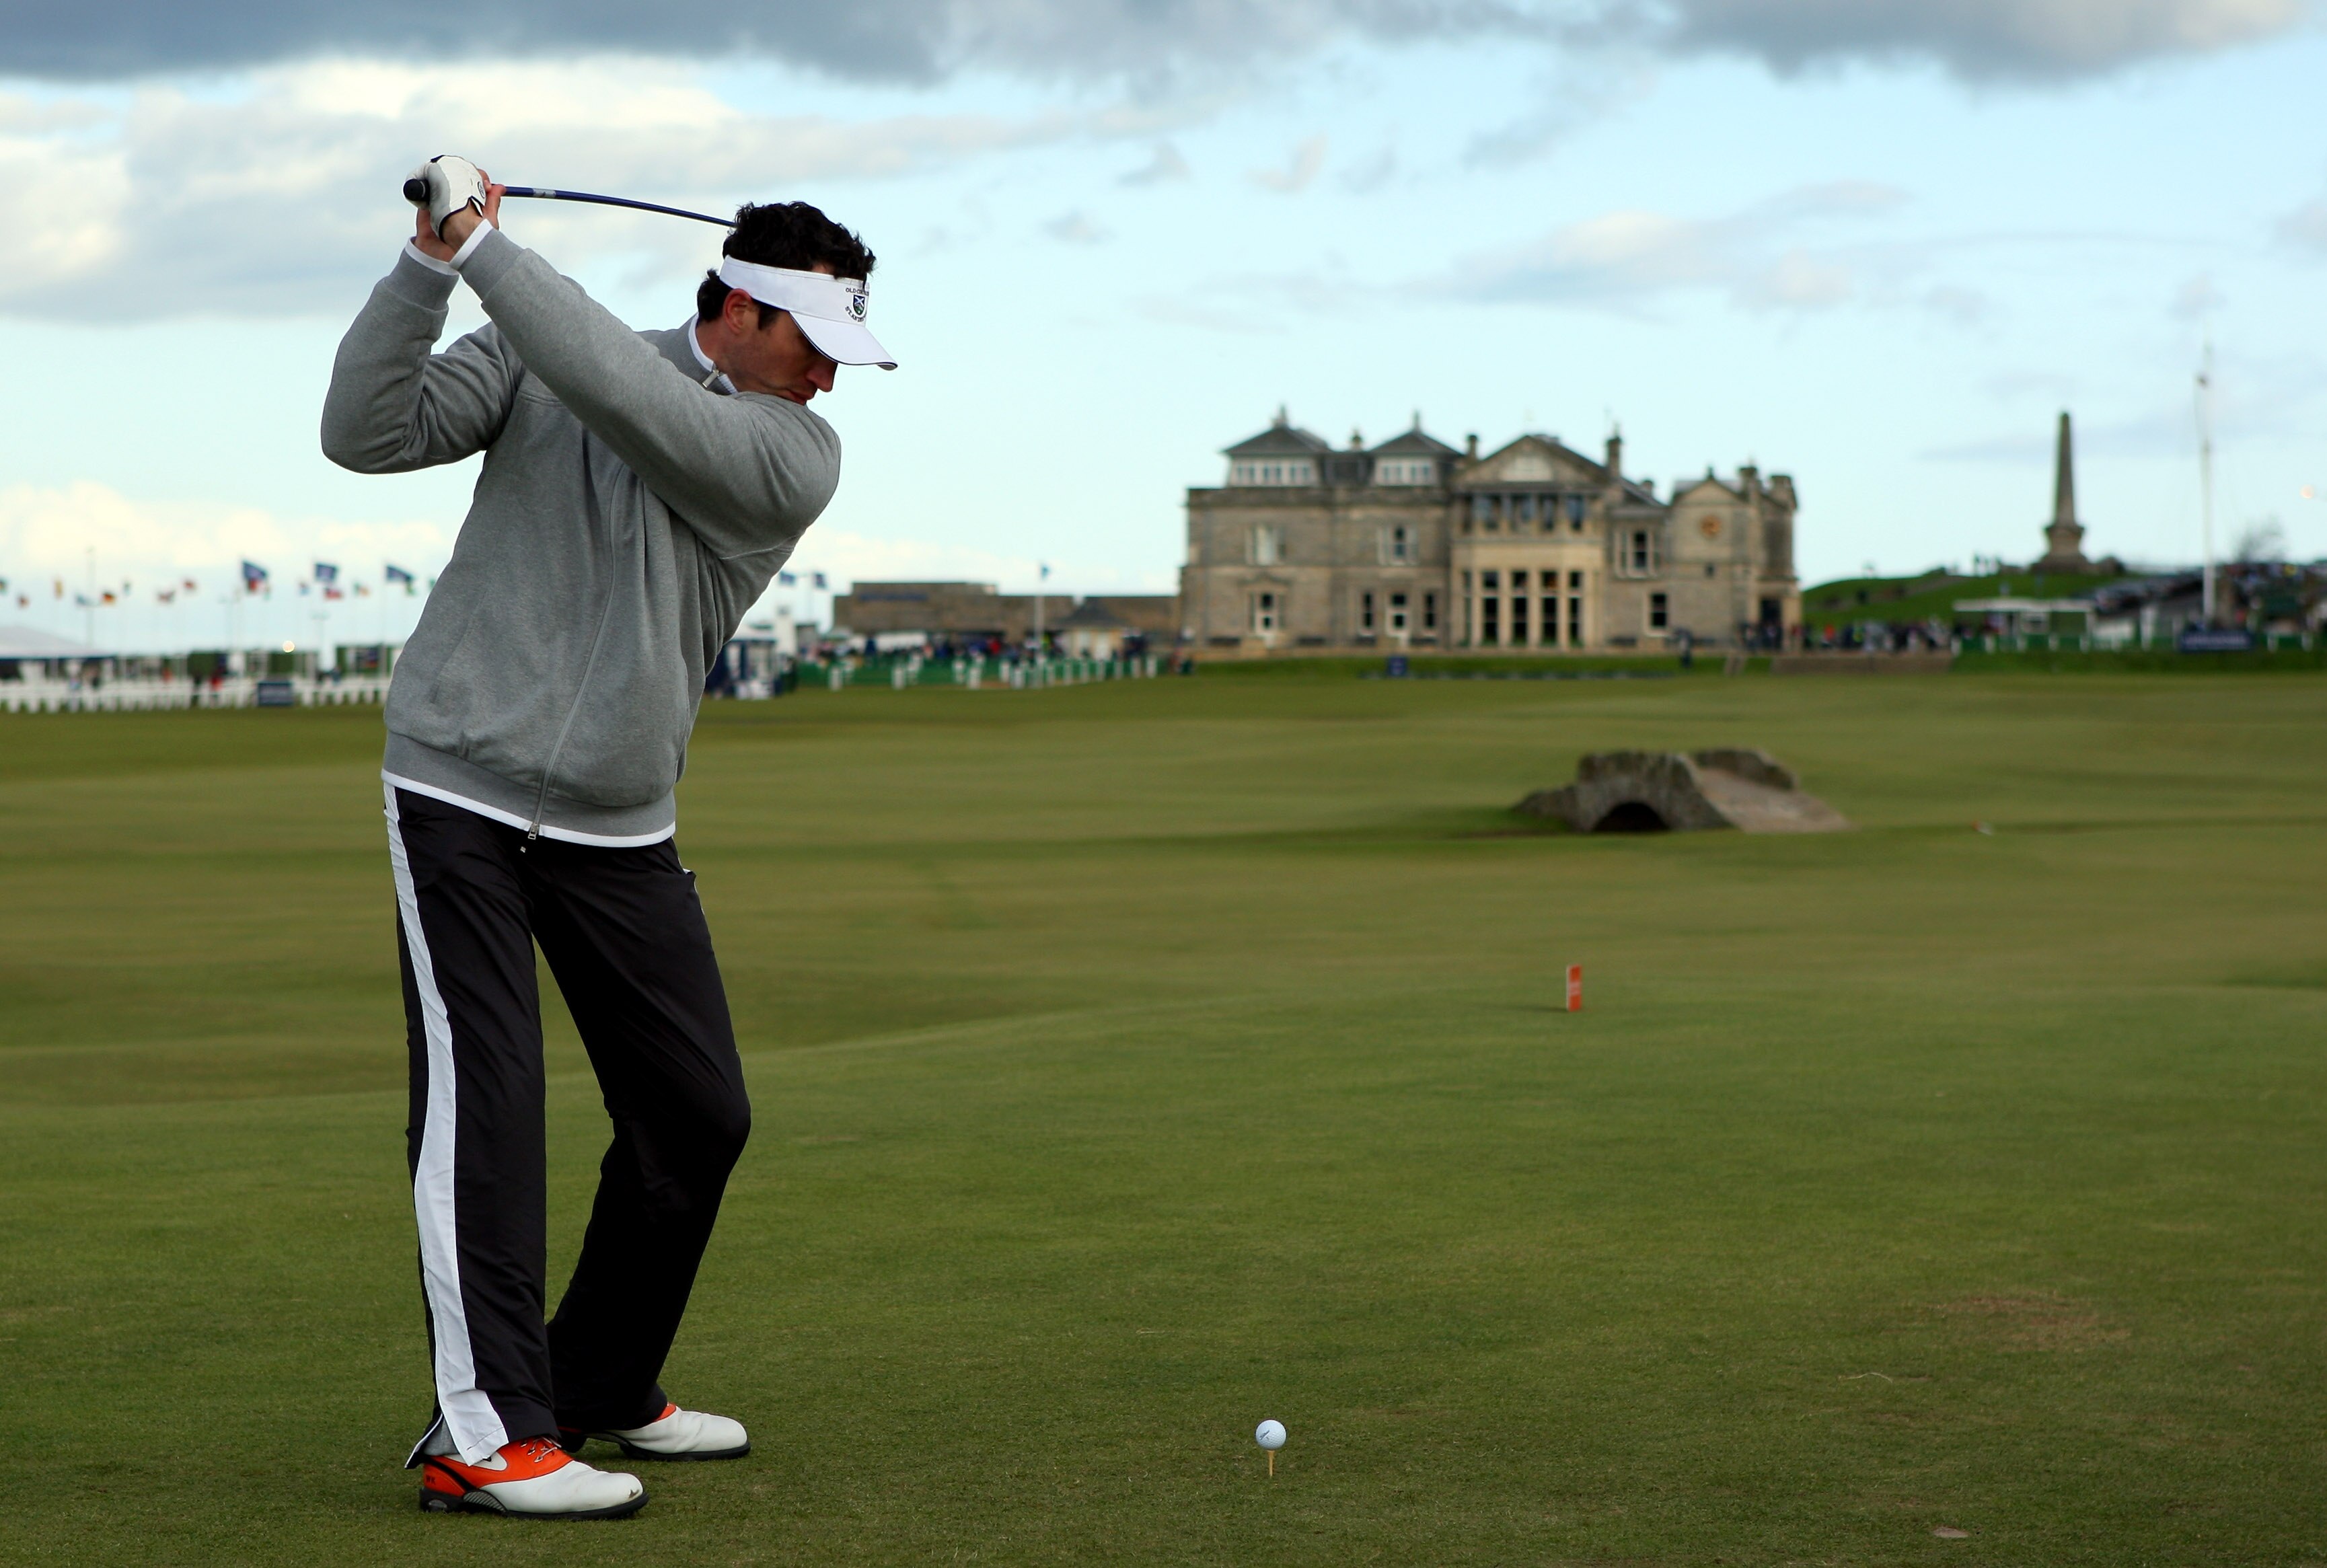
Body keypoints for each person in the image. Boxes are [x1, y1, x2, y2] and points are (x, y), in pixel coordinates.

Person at [322, 161, 893, 1520]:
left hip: (620, 821)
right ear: (741, 309)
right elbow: (364, 431)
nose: (830, 375)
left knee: (697, 1111)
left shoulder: (793, 455)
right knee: (488, 1102)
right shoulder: (545, 350)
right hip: (458, 787)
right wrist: (428, 265)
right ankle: (486, 1435)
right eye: (814, 342)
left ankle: (596, 1377)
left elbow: (635, 402)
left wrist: (490, 255)